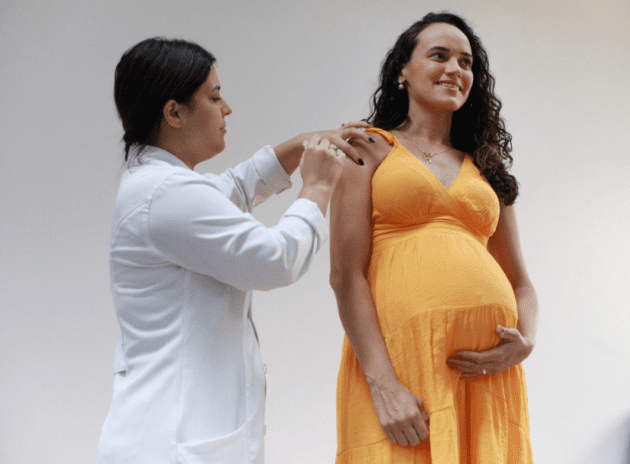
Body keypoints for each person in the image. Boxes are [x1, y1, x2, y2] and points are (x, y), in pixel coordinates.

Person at [98, 37, 379, 464]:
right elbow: (276, 260)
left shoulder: (159, 185)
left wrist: (305, 144)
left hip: (174, 437)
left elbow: (234, 187)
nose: (226, 108)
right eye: (214, 97)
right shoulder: (166, 194)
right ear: (174, 113)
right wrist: (317, 186)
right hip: (171, 447)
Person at [330, 12, 538, 463]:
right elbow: (346, 275)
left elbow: (521, 282)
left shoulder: (486, 165)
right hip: (402, 365)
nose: (455, 69)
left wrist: (525, 339)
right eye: (439, 56)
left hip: (487, 378)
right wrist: (384, 385)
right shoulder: (368, 148)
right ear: (402, 71)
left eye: (466, 62)